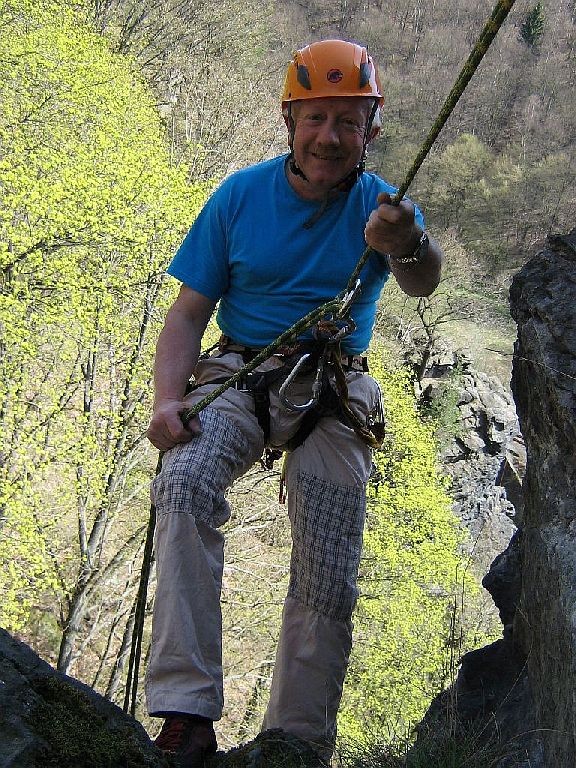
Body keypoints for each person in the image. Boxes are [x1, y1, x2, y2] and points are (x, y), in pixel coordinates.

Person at [145, 39, 443, 768]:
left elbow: (423, 282)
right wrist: (165, 401)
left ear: (371, 130)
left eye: (349, 121)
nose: (330, 137)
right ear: (290, 119)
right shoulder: (240, 196)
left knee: (329, 548)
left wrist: (404, 246)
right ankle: (187, 713)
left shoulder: (386, 209)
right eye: (316, 118)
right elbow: (188, 313)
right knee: (182, 483)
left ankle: (297, 740)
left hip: (334, 385)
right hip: (241, 374)